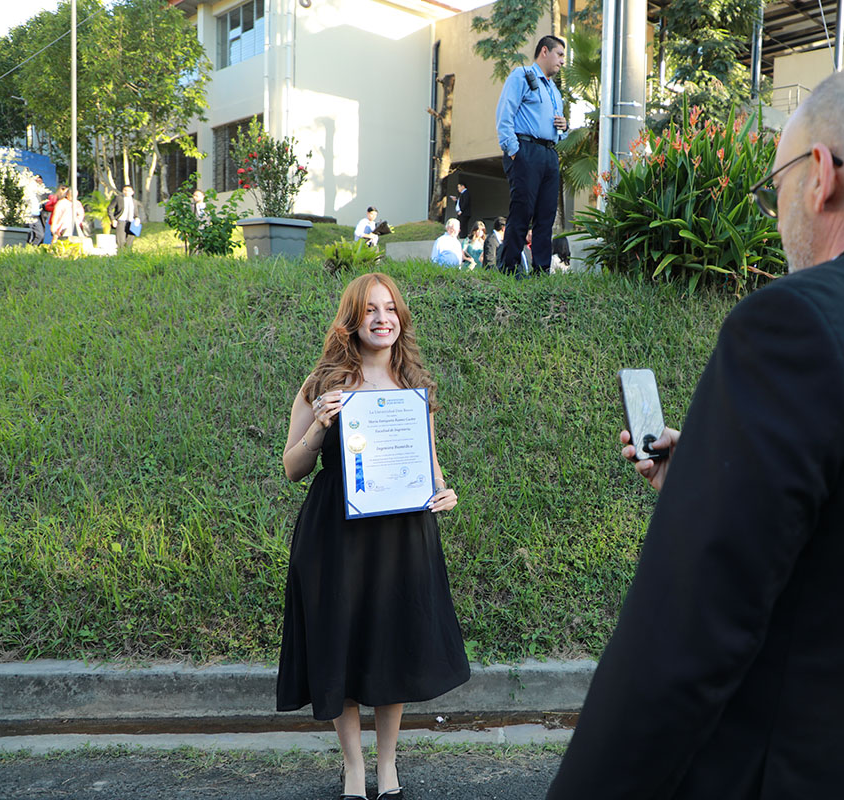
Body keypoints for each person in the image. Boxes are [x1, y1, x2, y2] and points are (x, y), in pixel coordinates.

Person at [545, 62, 844, 800]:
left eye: (775, 184)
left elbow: (685, 635)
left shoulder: (794, 320)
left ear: (821, 175)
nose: (776, 214)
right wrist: (709, 479)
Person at [277, 272, 470, 800]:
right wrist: (318, 426)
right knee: (339, 643)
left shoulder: (414, 386)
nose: (382, 318)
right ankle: (354, 769)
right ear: (352, 321)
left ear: (401, 318)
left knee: (391, 644)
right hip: (335, 538)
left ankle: (387, 767)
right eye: (370, 310)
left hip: (401, 539)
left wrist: (444, 492)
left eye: (390, 309)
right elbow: (292, 468)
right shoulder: (321, 383)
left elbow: (429, 465)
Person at [495, 35, 567, 279]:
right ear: (544, 51)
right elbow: (505, 113)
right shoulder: (522, 75)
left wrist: (564, 127)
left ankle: (541, 271)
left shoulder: (554, 90)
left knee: (546, 215)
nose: (562, 61)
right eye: (559, 54)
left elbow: (558, 129)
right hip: (525, 149)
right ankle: (509, 268)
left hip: (549, 153)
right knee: (522, 212)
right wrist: (514, 150)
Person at [108, 185, 141, 250]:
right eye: (125, 190)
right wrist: (113, 219)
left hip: (131, 223)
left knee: (129, 242)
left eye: (129, 191)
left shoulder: (134, 202)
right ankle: (120, 254)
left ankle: (128, 254)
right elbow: (109, 208)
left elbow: (136, 214)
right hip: (121, 221)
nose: (126, 192)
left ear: (132, 192)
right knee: (121, 241)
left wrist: (137, 218)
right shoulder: (118, 199)